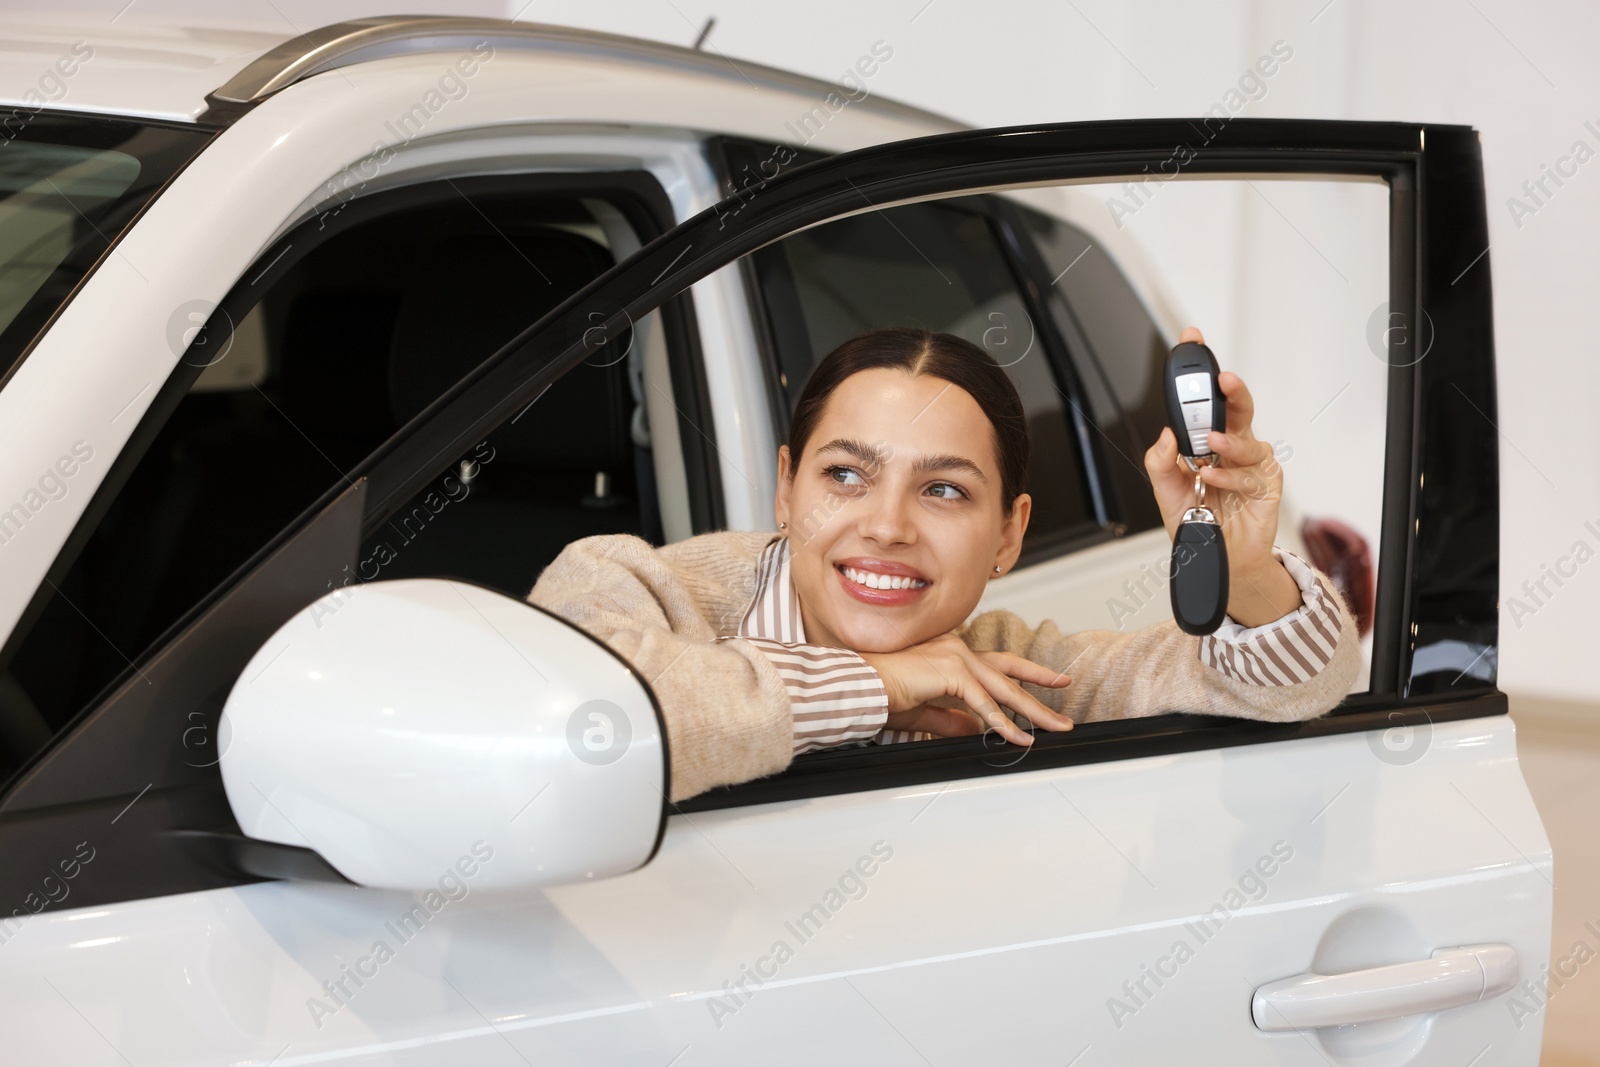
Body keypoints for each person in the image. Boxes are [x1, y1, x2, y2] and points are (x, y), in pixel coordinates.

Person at [528, 326, 1359, 802]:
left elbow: (1289, 687)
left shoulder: (1008, 669)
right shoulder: (629, 584)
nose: (886, 525)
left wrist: (1244, 570)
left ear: (1009, 534)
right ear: (787, 488)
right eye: (845, 475)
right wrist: (880, 688)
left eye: (945, 491)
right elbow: (574, 729)